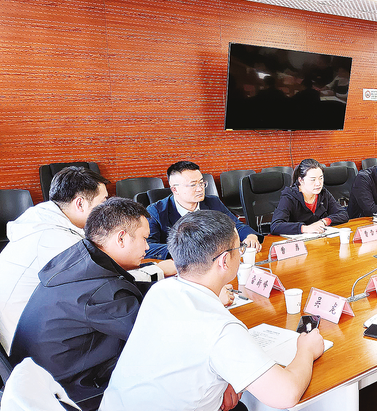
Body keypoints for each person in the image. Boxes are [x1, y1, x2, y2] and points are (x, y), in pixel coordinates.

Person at [100, 210, 325, 410]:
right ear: (224, 260)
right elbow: (285, 395)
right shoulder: (221, 328)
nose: (242, 253)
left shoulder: (160, 291)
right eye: (239, 248)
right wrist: (306, 350)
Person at [0, 167, 169, 356]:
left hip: (40, 328)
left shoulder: (46, 220)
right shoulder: (55, 239)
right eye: (103, 201)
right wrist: (160, 270)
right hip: (30, 343)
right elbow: (105, 285)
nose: (106, 209)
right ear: (80, 203)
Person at [9, 198, 153, 410]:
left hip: (35, 382)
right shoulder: (101, 291)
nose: (148, 247)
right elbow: (152, 337)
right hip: (70, 395)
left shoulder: (79, 260)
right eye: (145, 238)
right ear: (121, 238)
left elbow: (125, 291)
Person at [145, 161, 261, 259]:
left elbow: (235, 225)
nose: (200, 189)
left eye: (201, 183)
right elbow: (148, 246)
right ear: (175, 189)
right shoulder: (156, 211)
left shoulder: (212, 202)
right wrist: (186, 250)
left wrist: (250, 236)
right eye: (193, 185)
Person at [270, 159, 349, 235]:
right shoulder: (289, 196)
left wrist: (324, 221)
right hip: (297, 241)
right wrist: (306, 228)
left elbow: (343, 214)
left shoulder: (323, 193)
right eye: (313, 179)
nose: (318, 183)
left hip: (320, 239)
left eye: (321, 178)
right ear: (301, 180)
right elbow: (276, 226)